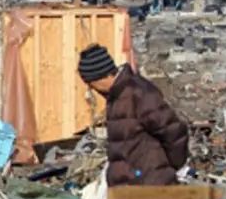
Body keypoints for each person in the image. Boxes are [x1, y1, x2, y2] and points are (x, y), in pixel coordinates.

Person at [78, 44, 188, 186]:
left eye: (91, 84)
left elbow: (173, 132)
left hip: (150, 186)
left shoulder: (138, 94)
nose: (92, 89)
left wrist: (168, 167)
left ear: (101, 76)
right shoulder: (116, 97)